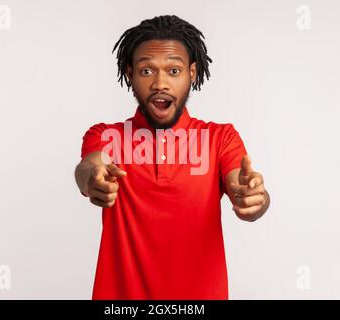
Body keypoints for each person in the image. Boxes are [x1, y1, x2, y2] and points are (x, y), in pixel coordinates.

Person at [75, 15, 270, 300]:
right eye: (146, 71)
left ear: (192, 73)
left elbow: (244, 187)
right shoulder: (108, 136)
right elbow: (90, 166)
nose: (160, 83)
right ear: (129, 73)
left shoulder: (220, 138)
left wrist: (254, 197)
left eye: (174, 71)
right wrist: (92, 178)